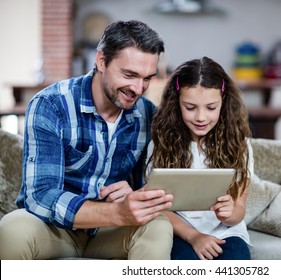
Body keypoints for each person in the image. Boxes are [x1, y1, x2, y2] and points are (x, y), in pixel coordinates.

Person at [0, 20, 174, 260]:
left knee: (159, 225)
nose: (138, 88)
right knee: (13, 229)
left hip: (109, 234)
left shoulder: (148, 114)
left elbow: (150, 186)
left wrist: (135, 193)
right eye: (129, 75)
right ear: (101, 61)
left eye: (147, 78)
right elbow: (41, 194)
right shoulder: (51, 105)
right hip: (54, 230)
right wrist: (116, 212)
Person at [145, 57, 254, 260]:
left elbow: (239, 211)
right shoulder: (160, 145)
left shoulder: (240, 145)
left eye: (211, 108)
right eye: (190, 107)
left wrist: (229, 213)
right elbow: (156, 208)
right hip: (179, 232)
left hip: (227, 233)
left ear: (224, 103)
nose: (201, 117)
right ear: (176, 103)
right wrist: (194, 236)